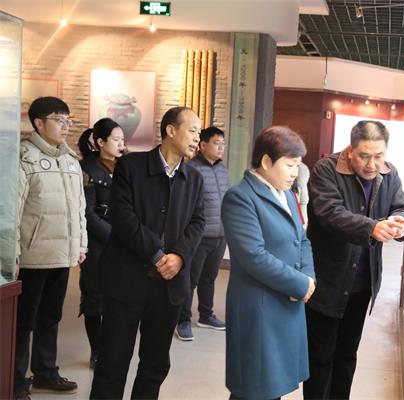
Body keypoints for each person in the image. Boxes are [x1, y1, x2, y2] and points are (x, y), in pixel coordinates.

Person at [90, 107, 205, 399]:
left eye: (199, 133)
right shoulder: (132, 166)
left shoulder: (194, 178)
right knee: (112, 362)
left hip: (168, 286)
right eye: (193, 130)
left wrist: (179, 257)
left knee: (155, 365)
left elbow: (197, 222)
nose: (197, 138)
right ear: (171, 131)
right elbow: (123, 216)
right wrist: (157, 254)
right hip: (126, 281)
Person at [303, 120, 404, 399]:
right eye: (364, 156)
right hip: (328, 280)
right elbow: (330, 213)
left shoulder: (390, 173)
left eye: (379, 156)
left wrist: (400, 222)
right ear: (350, 150)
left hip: (363, 283)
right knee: (320, 357)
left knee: (347, 355)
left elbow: (402, 206)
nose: (372, 164)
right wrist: (372, 227)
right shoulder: (326, 169)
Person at [222, 125, 316, 399]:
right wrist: (299, 283)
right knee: (254, 388)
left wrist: (309, 277)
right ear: (266, 161)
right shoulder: (241, 197)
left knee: (272, 387)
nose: (295, 172)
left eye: (298, 165)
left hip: (285, 301)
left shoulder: (286, 193)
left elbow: (302, 240)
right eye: (290, 165)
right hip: (259, 306)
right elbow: (253, 255)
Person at [14, 96, 87, 399]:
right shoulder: (24, 158)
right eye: (59, 120)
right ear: (38, 123)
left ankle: (45, 372)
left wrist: (80, 244)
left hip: (61, 256)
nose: (66, 126)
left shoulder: (70, 160)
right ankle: (15, 380)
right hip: (31, 257)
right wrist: (11, 253)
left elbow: (79, 209)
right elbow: (13, 211)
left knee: (51, 317)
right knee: (23, 322)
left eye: (68, 120)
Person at [76, 118, 125, 368]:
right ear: (100, 142)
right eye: (116, 139)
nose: (121, 144)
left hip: (123, 245)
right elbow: (88, 214)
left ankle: (112, 349)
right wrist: (116, 236)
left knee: (119, 299)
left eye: (122, 139)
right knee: (94, 300)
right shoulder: (87, 170)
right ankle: (96, 351)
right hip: (97, 245)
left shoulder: (125, 167)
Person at [175, 126, 229, 340]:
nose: (221, 147)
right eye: (216, 143)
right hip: (199, 236)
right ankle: (183, 319)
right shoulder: (191, 169)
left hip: (220, 235)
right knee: (190, 279)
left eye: (223, 143)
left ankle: (206, 315)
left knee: (209, 277)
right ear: (203, 145)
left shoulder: (223, 170)